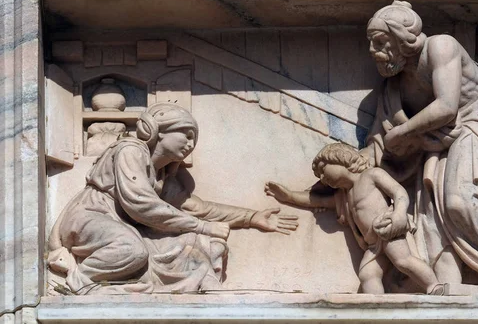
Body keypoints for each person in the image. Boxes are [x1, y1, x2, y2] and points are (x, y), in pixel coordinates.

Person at [48, 102, 298, 294]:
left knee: (198, 245)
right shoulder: (130, 150)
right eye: (185, 134)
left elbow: (198, 208)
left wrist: (251, 218)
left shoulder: (162, 175)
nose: (190, 143)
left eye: (193, 139)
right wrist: (204, 226)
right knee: (131, 250)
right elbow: (141, 204)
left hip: (124, 227)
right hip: (90, 218)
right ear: (157, 131)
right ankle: (79, 281)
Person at [361, 0, 478, 283]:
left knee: (458, 200)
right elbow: (378, 142)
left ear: (401, 38)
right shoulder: (394, 87)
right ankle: (449, 279)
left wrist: (403, 132)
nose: (373, 51)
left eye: (380, 42)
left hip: (475, 123)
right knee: (431, 222)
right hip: (433, 144)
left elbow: (447, 106)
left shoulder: (440, 47)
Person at [265, 143, 443, 295]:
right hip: (373, 242)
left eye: (323, 170)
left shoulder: (372, 175)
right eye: (319, 176)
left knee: (403, 261)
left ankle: (434, 286)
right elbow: (317, 201)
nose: (322, 178)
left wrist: (399, 214)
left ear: (341, 160)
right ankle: (378, 306)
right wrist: (288, 196)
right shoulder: (343, 196)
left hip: (388, 229)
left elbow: (399, 192)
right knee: (367, 274)